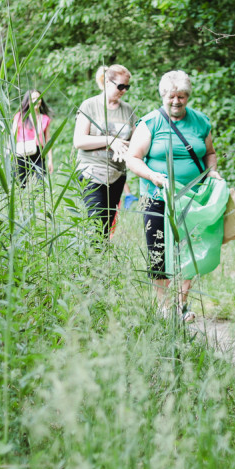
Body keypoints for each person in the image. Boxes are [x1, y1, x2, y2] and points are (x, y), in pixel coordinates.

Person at [125, 70, 221, 321]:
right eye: (171, 97)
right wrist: (152, 176)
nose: (176, 101)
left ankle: (181, 304)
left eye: (181, 97)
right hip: (156, 196)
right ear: (163, 96)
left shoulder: (201, 121)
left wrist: (212, 173)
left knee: (189, 248)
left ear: (188, 97)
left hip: (192, 197)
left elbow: (209, 153)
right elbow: (132, 158)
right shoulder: (151, 122)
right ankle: (163, 306)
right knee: (158, 249)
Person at [73, 65, 138, 237]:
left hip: (117, 175)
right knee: (96, 224)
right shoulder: (89, 105)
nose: (124, 90)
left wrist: (127, 148)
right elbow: (79, 141)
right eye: (120, 86)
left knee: (107, 227)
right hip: (91, 171)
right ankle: (92, 260)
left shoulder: (128, 110)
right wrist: (110, 140)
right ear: (108, 82)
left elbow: (137, 142)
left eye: (127, 87)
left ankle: (102, 259)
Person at [12, 89, 52, 185]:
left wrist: (50, 160)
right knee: (20, 184)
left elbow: (48, 140)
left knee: (40, 185)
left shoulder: (45, 119)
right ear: (28, 101)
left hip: (38, 154)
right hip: (21, 153)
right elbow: (13, 135)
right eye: (33, 98)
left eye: (38, 98)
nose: (36, 101)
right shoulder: (19, 116)